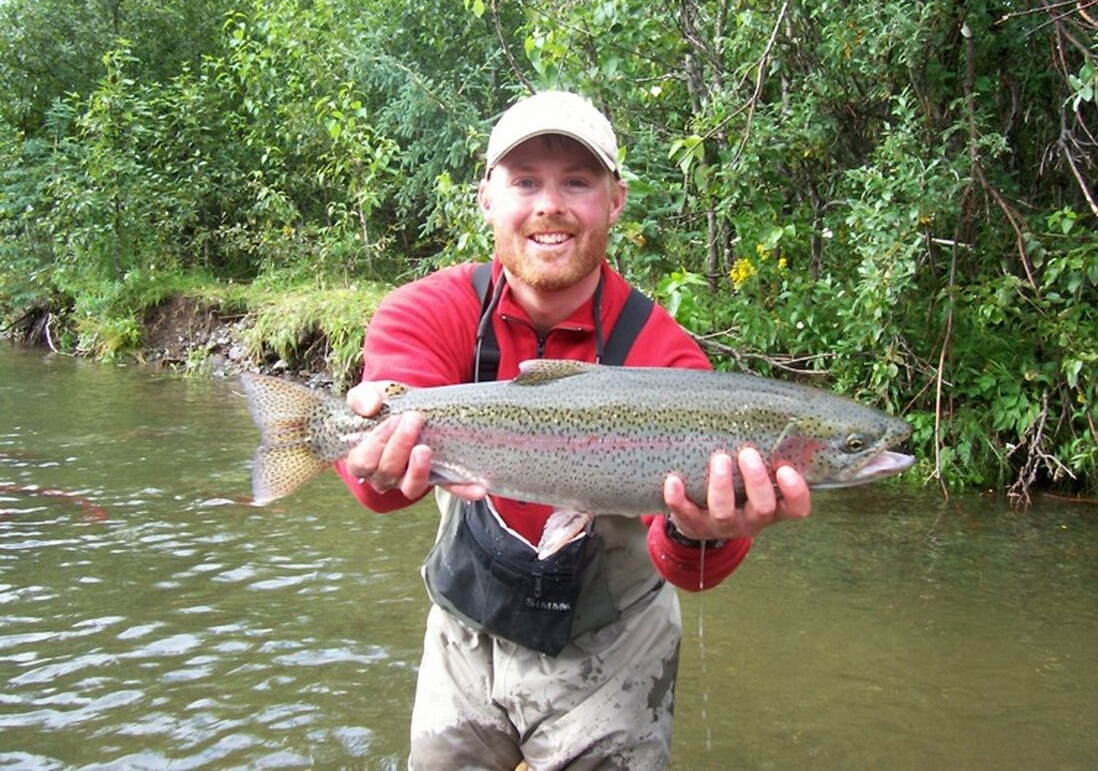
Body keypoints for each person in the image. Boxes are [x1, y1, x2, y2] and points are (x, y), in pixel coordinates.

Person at [337, 90, 811, 770]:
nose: (549, 205)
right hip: (463, 634)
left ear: (615, 201)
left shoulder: (667, 360)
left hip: (615, 647)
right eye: (525, 182)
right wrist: (363, 452)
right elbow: (377, 490)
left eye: (578, 183)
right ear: (487, 198)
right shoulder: (427, 313)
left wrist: (701, 530)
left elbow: (689, 570)